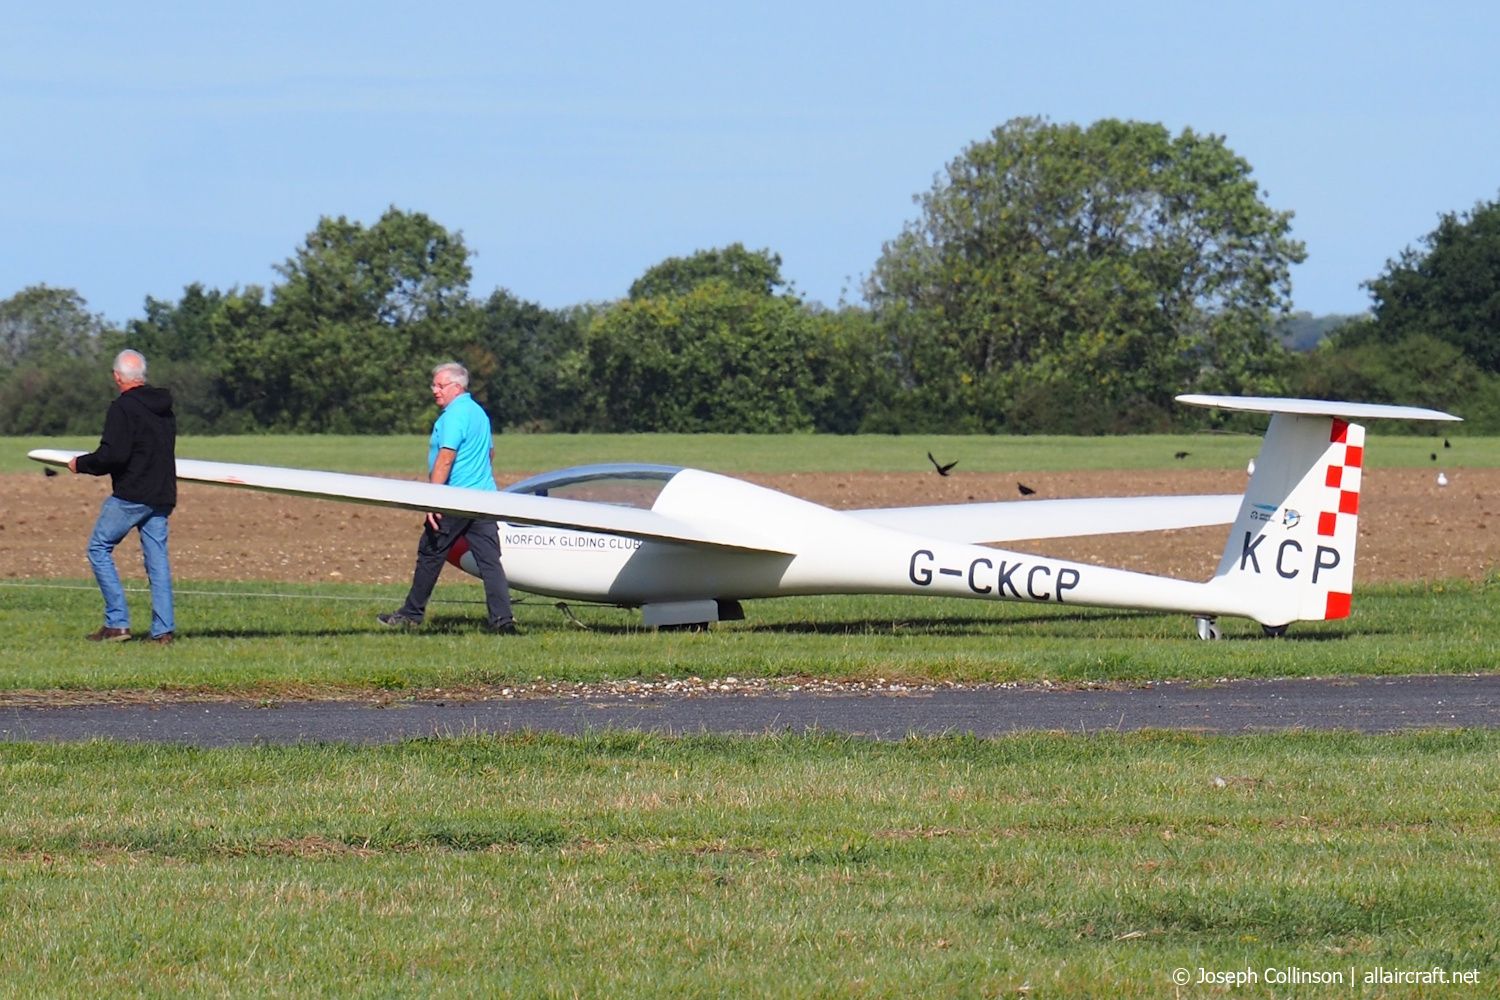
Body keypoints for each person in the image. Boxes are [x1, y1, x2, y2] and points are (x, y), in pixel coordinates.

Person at [378, 362, 519, 634]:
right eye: (434, 385)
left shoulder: (454, 415)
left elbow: (446, 457)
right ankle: (503, 622)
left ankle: (411, 614)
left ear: (457, 387)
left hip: (456, 499)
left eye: (440, 385)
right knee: (490, 561)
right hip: (485, 499)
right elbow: (490, 454)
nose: (434, 390)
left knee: (430, 552)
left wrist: (434, 499)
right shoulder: (479, 413)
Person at [69, 349, 177, 644]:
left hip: (132, 495)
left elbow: (112, 456)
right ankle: (163, 631)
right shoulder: (165, 408)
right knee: (158, 562)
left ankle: (117, 623)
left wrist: (80, 464)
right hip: (162, 494)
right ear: (142, 376)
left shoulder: (122, 408)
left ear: (118, 377)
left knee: (98, 548)